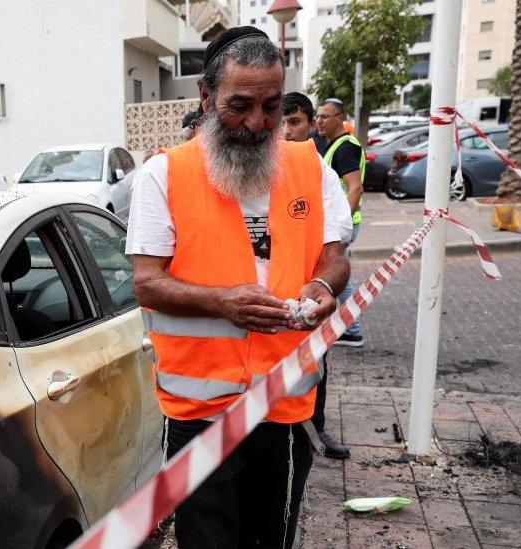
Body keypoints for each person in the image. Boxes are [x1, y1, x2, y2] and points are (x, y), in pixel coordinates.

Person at [126, 27, 352, 548]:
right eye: (240, 105)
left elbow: (334, 256)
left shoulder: (307, 166)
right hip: (199, 416)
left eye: (272, 107)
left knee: (270, 539)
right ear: (206, 97)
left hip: (283, 409)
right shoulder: (163, 175)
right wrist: (222, 303)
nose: (257, 123)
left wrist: (322, 285)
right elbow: (147, 284)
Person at [282, 91, 351, 461]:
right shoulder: (261, 171)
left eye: (294, 122)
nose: (286, 131)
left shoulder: (318, 173)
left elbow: (337, 243)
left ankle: (316, 428)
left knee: (315, 363)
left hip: (310, 296)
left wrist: (323, 282)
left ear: (311, 125)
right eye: (283, 122)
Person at [316, 98, 365, 348]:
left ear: (340, 119)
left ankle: (352, 330)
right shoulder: (334, 145)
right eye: (317, 116)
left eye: (325, 116)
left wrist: (340, 226)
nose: (319, 121)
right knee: (337, 273)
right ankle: (350, 328)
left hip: (343, 224)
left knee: (338, 275)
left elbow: (355, 188)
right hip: (341, 222)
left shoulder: (344, 147)